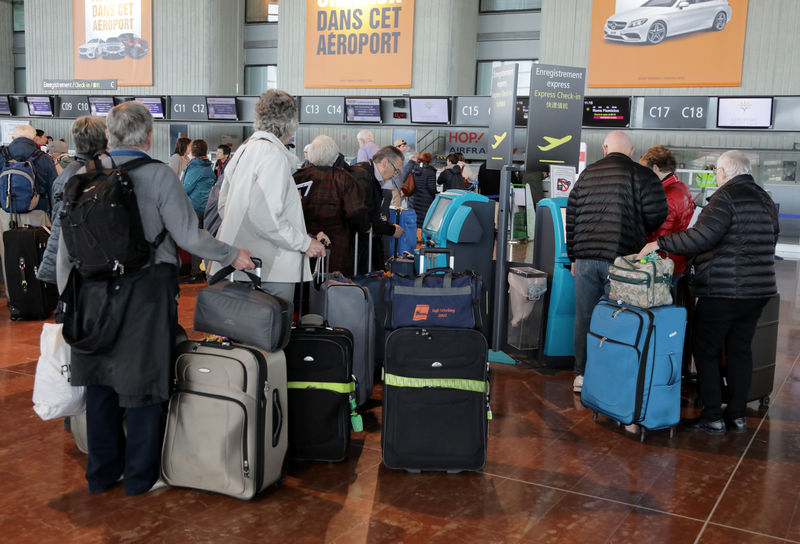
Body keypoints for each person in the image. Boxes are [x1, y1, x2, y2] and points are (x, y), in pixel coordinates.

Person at [55, 101, 254, 496]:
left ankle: (101, 474)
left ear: (108, 135)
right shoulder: (159, 175)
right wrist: (233, 255)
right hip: (144, 294)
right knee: (144, 386)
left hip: (91, 294)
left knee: (100, 385)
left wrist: (67, 303)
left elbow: (65, 249)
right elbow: (189, 236)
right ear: (149, 136)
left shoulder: (80, 174)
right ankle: (141, 478)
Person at [638, 150, 779, 435]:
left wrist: (661, 244)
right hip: (759, 290)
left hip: (723, 290)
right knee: (740, 351)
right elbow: (772, 236)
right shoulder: (764, 198)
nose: (716, 177)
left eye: (717, 172)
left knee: (706, 350)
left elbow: (702, 236)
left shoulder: (725, 198)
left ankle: (713, 416)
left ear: (725, 173)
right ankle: (737, 416)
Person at [566, 130, 668, 393]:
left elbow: (572, 217)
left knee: (585, 318)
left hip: (586, 258)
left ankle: (581, 375)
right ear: (632, 151)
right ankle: (611, 377)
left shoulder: (587, 174)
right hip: (623, 261)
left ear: (604, 148)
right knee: (619, 317)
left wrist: (573, 256)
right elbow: (657, 214)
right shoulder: (642, 175)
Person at [212, 89, 326, 302]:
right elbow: (265, 217)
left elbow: (223, 206)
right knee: (272, 332)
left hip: (239, 262)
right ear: (291, 124)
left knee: (240, 332)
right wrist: (304, 243)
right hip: (270, 268)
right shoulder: (273, 155)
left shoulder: (243, 152)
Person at [37, 116, 108, 285]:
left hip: (76, 261)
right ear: (105, 139)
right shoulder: (96, 175)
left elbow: (58, 222)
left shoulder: (71, 173)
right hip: (85, 264)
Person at [293, 134, 369, 276]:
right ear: (335, 156)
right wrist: (365, 227)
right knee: (332, 288)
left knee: (301, 288)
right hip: (336, 246)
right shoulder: (344, 179)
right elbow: (356, 212)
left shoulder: (298, 177)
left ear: (310, 154)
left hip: (302, 244)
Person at [0, 124, 59, 288]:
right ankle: (41, 297)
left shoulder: (2, 155)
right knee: (39, 256)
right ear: (35, 139)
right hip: (37, 214)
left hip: (6, 214)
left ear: (13, 138)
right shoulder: (43, 158)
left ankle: (15, 299)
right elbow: (54, 190)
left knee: (9, 258)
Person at [639, 145, 695, 290]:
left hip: (663, 263)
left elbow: (659, 234)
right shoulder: (682, 187)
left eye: (645, 169)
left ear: (656, 168)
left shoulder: (666, 196)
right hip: (677, 259)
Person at [349, 146, 405, 272]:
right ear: (384, 162)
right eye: (396, 170)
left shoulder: (367, 174)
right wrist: (391, 229)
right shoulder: (363, 177)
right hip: (354, 245)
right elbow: (363, 216)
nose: (395, 175)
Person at [182, 139, 217, 280]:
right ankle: (204, 270)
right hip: (207, 208)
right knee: (204, 240)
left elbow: (185, 189)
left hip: (195, 208)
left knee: (196, 241)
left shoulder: (196, 167)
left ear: (192, 152)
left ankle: (196, 273)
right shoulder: (208, 166)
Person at [408, 152, 437, 231]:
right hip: (425, 200)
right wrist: (435, 194)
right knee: (424, 220)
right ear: (429, 160)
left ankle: (414, 237)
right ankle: (421, 239)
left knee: (414, 219)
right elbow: (431, 187)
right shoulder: (430, 171)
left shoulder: (414, 169)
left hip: (413, 199)